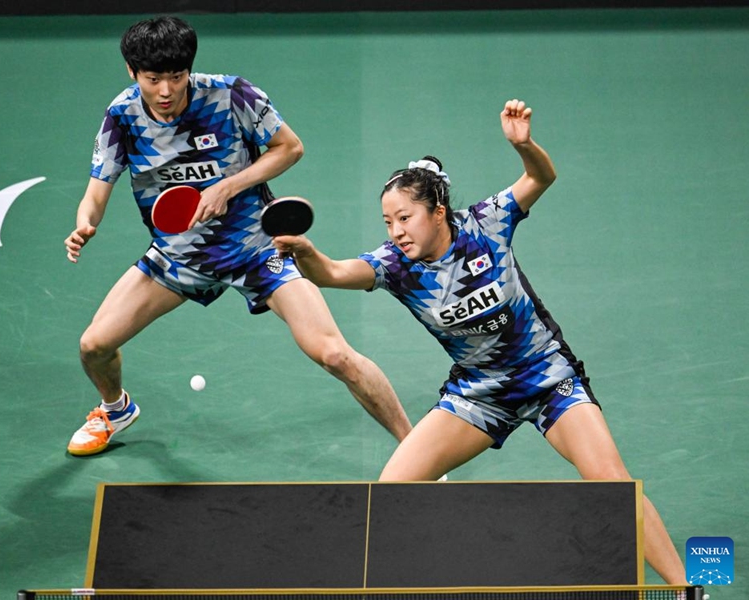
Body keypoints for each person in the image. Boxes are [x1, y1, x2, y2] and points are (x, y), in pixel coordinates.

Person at [272, 99, 687, 584]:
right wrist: (305, 252)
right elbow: (335, 273)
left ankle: (683, 590)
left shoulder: (486, 223)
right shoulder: (395, 264)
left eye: (404, 218)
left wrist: (524, 146)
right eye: (388, 222)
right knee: (390, 491)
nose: (396, 231)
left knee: (613, 483)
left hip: (547, 378)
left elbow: (541, 179)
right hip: (478, 393)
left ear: (438, 211)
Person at [63, 15, 412, 456]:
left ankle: (416, 449)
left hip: (256, 250)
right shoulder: (122, 117)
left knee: (335, 354)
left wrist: (229, 185)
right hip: (179, 258)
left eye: (176, 77)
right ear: (133, 73)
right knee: (94, 345)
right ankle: (115, 409)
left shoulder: (231, 94)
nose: (166, 91)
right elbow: (96, 191)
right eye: (154, 79)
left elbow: (290, 147)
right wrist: (84, 224)